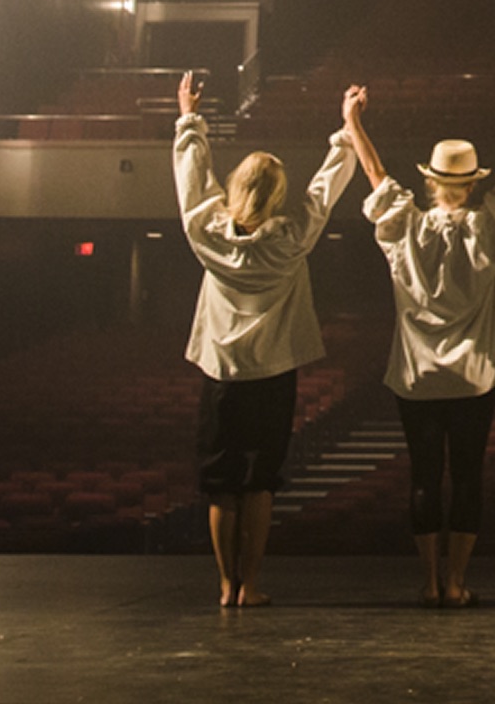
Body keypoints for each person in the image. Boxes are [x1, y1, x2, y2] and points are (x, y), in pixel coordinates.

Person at [340, 79, 495, 610]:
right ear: (473, 184)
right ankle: (458, 581)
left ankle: (430, 580)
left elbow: (374, 173)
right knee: (467, 477)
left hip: (415, 380)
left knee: (423, 477)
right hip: (474, 379)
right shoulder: (490, 227)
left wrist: (354, 121)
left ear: (432, 183)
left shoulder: (403, 228)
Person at [171, 70, 359, 608]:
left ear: (235, 188)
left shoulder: (206, 233)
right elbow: (325, 189)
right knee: (259, 484)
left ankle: (225, 585)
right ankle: (250, 583)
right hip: (272, 376)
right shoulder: (291, 239)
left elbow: (191, 179)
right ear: (276, 196)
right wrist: (347, 129)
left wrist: (189, 116)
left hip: (222, 376)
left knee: (221, 485)